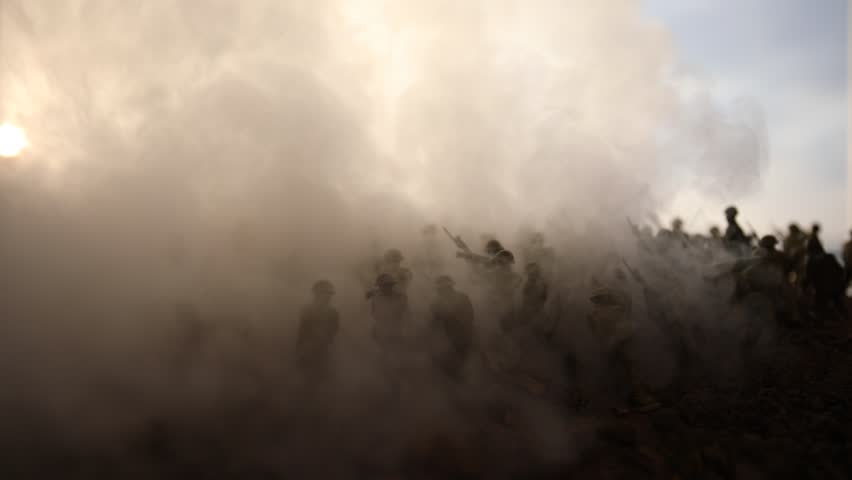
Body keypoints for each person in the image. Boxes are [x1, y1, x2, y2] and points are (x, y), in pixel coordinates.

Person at [369, 273, 410, 398]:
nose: (386, 288)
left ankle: (397, 386)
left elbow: (401, 310)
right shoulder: (376, 298)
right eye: (383, 286)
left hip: (396, 333)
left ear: (392, 286)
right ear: (380, 287)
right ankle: (390, 386)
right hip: (383, 333)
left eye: (389, 285)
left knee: (397, 361)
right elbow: (375, 314)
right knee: (385, 361)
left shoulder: (400, 297)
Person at [428, 275, 475, 380]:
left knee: (458, 359)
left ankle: (458, 378)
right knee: (453, 360)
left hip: (460, 335)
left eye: (444, 288)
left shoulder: (462, 298)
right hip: (450, 335)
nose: (441, 291)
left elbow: (470, 316)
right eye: (440, 289)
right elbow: (434, 321)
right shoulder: (437, 302)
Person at [295, 280, 340, 380]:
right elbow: (301, 332)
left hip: (322, 352)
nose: (328, 296)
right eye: (325, 293)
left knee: (320, 378)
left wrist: (327, 336)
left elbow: (334, 328)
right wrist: (300, 351)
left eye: (329, 294)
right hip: (307, 351)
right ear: (317, 294)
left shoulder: (333, 312)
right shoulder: (307, 310)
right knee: (306, 378)